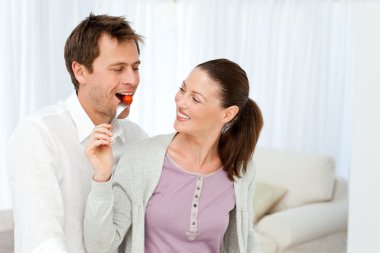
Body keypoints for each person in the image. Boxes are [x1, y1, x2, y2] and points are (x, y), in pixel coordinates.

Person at [84, 58, 264, 253]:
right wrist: (102, 178)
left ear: (227, 114)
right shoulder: (141, 158)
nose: (180, 101)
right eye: (182, 89)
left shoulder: (241, 168)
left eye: (195, 99)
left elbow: (246, 237)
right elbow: (99, 247)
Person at [7, 13, 147, 253]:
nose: (132, 80)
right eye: (118, 69)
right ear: (80, 71)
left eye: (135, 67)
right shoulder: (39, 134)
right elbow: (42, 240)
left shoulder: (137, 139)